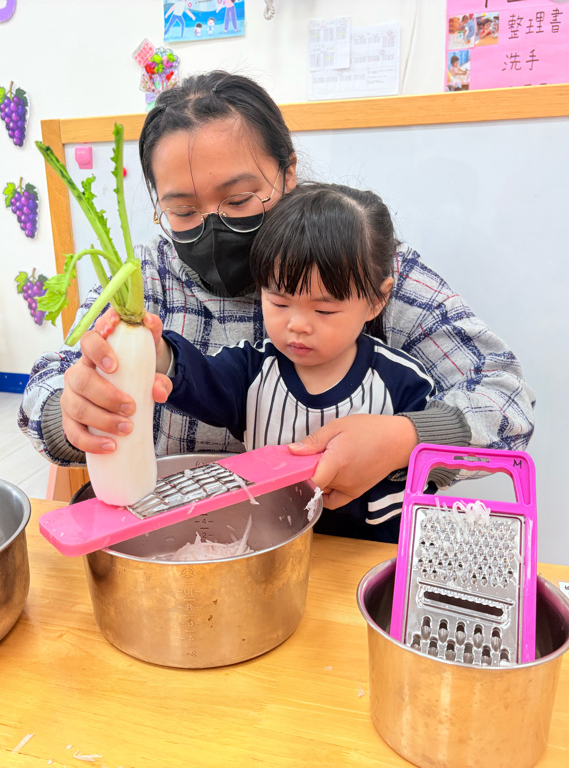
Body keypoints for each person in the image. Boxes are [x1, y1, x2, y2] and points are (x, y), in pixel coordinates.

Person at [18, 71, 535, 518]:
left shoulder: (357, 265)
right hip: (168, 528)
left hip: (333, 545)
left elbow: (507, 399)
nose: (212, 226)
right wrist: (76, 412)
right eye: (183, 211)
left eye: (240, 199)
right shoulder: (146, 280)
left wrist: (407, 438)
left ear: (288, 173)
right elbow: (42, 390)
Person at [96, 183, 436, 540]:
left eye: (324, 310)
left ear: (377, 301)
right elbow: (199, 377)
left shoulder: (403, 382)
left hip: (375, 555)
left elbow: (439, 462)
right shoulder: (251, 371)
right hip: (273, 545)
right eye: (279, 303)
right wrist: (154, 350)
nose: (297, 325)